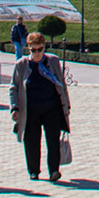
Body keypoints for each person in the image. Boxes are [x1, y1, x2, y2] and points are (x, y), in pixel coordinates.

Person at [10, 32, 72, 182]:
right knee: (31, 141)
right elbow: (14, 88)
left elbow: (61, 84)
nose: (37, 53)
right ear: (28, 48)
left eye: (40, 49)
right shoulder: (22, 65)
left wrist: (67, 105)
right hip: (31, 109)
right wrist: (14, 108)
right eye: (33, 50)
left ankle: (54, 171)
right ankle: (33, 170)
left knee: (53, 140)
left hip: (52, 107)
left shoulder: (53, 61)